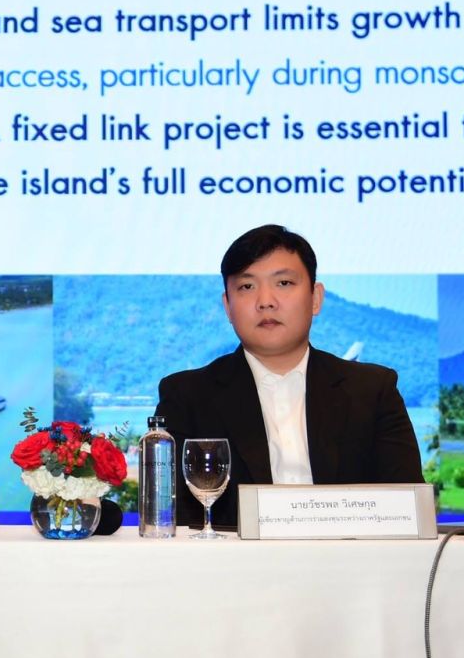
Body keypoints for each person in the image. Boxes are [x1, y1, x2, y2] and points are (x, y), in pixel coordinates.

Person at [155, 224, 424, 530]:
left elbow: (408, 508)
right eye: (247, 287)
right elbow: (174, 520)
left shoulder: (372, 390)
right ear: (228, 306)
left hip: (351, 557)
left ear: (315, 298)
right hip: (233, 559)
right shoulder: (187, 396)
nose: (266, 301)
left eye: (283, 283)